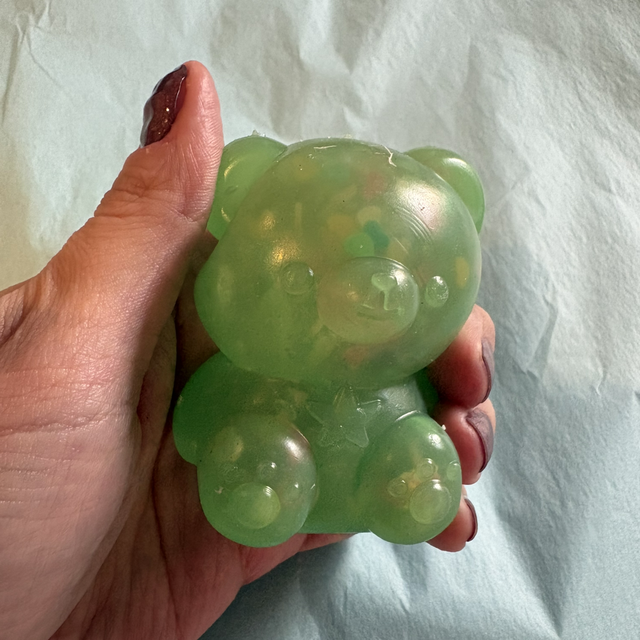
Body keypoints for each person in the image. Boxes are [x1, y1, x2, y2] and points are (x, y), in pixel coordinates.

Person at [0, 61, 496, 640]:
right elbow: (197, 419)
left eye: (429, 287)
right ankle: (269, 484)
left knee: (418, 448)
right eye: (301, 278)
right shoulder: (244, 363)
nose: (376, 297)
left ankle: (405, 479)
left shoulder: (409, 378)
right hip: (262, 437)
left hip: (389, 430)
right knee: (261, 453)